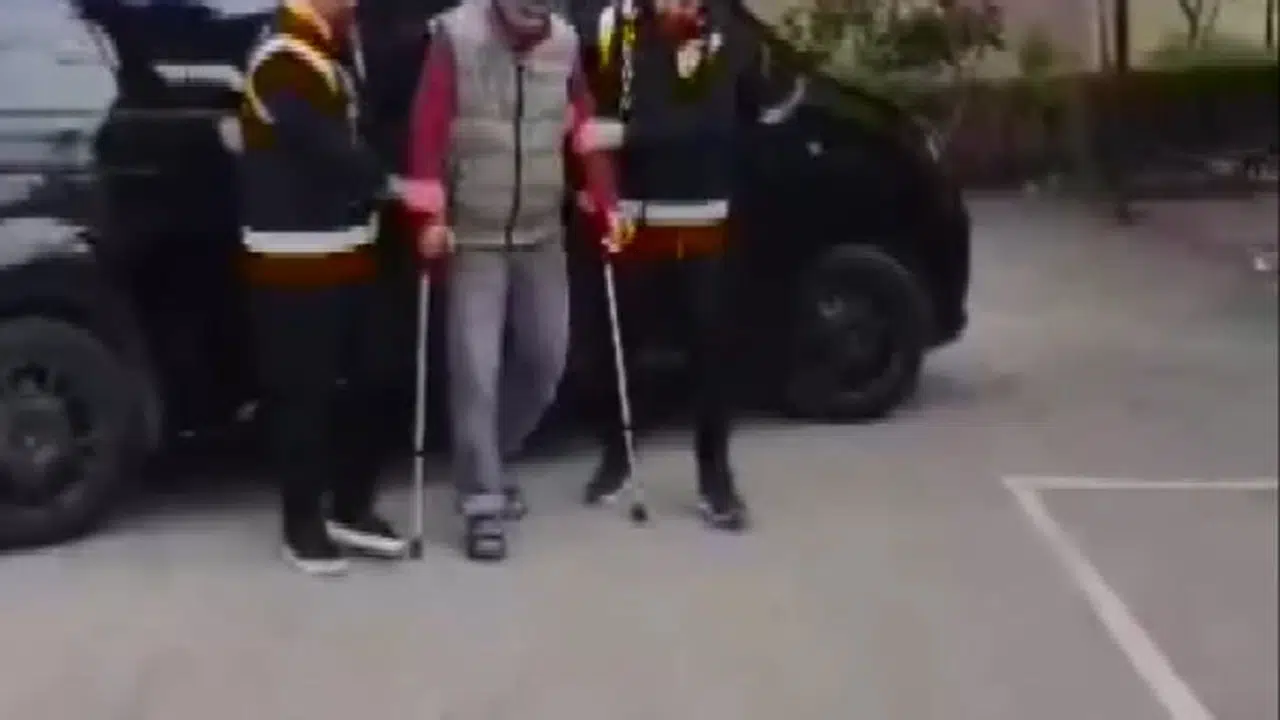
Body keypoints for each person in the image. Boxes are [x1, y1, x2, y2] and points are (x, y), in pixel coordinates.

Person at [408, 0, 624, 561]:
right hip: (473, 233)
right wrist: (429, 214)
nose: (531, 31)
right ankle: (482, 501)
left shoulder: (564, 42)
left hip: (540, 231)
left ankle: (489, 455)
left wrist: (603, 197)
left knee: (546, 358)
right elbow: (428, 128)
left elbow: (583, 126)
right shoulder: (456, 36)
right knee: (476, 371)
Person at [238, 0, 442, 574]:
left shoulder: (333, 48)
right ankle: (301, 522)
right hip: (291, 259)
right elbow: (322, 144)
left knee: (378, 376)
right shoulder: (280, 57)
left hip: (350, 250)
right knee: (302, 396)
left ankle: (351, 505)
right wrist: (396, 187)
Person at [575, 0, 762, 531]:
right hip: (633, 212)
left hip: (700, 212)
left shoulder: (720, 29)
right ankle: (617, 455)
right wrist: (593, 179)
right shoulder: (616, 25)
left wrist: (626, 135)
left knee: (709, 345)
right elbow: (592, 101)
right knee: (618, 343)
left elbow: (713, 120)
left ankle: (714, 474)